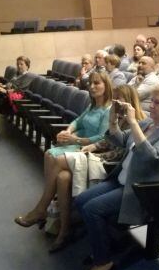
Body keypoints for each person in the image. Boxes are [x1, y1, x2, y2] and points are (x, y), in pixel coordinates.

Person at [73, 85, 159, 270]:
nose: (151, 105)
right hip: (122, 179)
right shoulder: (149, 123)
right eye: (151, 100)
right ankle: (106, 244)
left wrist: (133, 122)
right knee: (81, 200)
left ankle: (103, 262)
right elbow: (121, 140)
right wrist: (114, 120)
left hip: (141, 190)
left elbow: (151, 157)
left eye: (157, 102)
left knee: (92, 210)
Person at [14, 72, 113, 252]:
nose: (92, 86)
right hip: (78, 145)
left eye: (97, 83)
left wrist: (73, 140)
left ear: (106, 85)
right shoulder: (92, 106)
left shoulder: (108, 109)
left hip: (91, 151)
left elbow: (102, 137)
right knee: (63, 177)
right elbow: (77, 121)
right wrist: (68, 131)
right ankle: (63, 228)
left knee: (52, 156)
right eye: (90, 83)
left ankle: (43, 208)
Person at [0, 56, 34, 140]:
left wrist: (6, 91)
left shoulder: (29, 76)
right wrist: (2, 86)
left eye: (21, 64)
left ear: (27, 65)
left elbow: (21, 90)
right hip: (6, 97)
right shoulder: (17, 74)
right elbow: (10, 85)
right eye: (17, 64)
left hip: (15, 101)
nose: (19, 66)